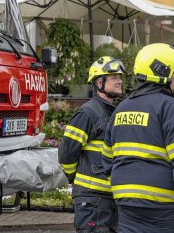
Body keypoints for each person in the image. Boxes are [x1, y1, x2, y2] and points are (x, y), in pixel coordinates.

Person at [101, 43, 174, 233]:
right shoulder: (171, 107)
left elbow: (107, 160)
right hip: (169, 212)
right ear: (161, 75)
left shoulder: (121, 108)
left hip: (128, 209)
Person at [58, 56, 126, 233]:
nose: (119, 81)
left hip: (112, 197)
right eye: (114, 77)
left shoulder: (115, 112)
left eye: (120, 77)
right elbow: (66, 152)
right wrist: (74, 177)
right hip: (92, 199)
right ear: (99, 82)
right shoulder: (88, 113)